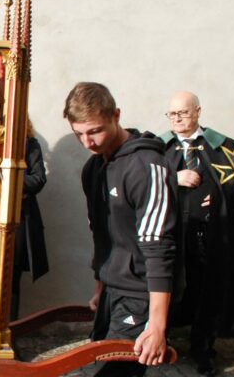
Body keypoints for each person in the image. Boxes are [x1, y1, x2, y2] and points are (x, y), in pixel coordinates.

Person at [63, 82, 177, 376]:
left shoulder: (146, 166)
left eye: (95, 131)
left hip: (141, 295)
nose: (88, 142)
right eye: (80, 134)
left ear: (116, 115)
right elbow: (101, 236)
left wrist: (157, 326)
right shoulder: (93, 169)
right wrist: (100, 288)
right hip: (111, 293)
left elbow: (159, 247)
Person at [159, 91, 234, 375]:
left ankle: (202, 347)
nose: (176, 119)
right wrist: (174, 178)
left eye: (183, 113)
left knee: (204, 291)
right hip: (169, 235)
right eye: (171, 114)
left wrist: (218, 195)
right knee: (166, 288)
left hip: (207, 237)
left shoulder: (224, 147)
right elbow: (144, 185)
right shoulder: (159, 147)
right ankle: (161, 342)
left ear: (197, 111)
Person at [10, 118, 48, 321]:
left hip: (18, 219)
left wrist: (10, 179)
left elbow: (38, 178)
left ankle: (9, 327)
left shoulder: (29, 144)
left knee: (10, 275)